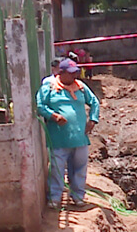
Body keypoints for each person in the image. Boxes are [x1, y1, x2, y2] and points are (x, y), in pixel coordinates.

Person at [36, 58, 100, 209]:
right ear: (61, 73)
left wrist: (93, 120)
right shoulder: (49, 87)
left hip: (79, 138)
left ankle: (78, 197)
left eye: (75, 73)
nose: (74, 76)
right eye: (71, 74)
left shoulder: (81, 87)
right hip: (59, 138)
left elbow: (94, 102)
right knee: (57, 170)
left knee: (80, 169)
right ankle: (55, 198)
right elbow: (40, 106)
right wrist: (54, 116)